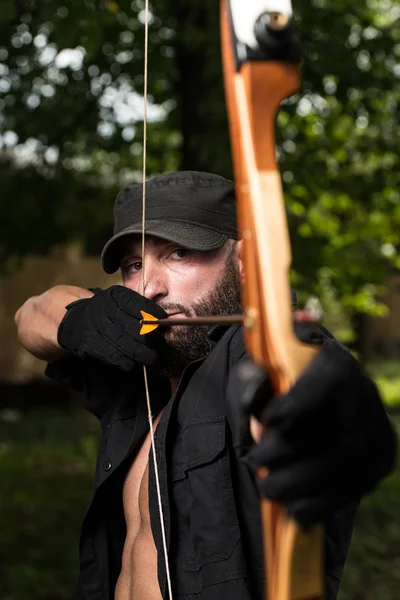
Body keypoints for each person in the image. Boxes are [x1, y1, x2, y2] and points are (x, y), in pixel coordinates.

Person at [15, 171, 396, 600]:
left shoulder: (250, 355)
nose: (150, 288)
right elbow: (30, 316)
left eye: (179, 253)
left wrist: (337, 407)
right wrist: (79, 319)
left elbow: (305, 380)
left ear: (243, 261)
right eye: (134, 265)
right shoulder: (142, 371)